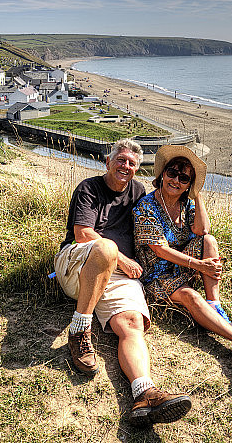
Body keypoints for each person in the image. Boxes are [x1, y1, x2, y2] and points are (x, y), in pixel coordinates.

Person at [53, 139, 192, 427]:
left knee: (132, 323)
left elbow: (164, 217)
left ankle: (145, 394)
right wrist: (123, 259)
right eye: (121, 160)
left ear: (137, 169)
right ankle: (79, 330)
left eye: (132, 163)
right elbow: (82, 233)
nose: (125, 166)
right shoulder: (89, 188)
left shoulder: (138, 192)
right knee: (107, 248)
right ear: (107, 161)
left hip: (117, 274)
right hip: (78, 263)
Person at [133, 145, 232, 367]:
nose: (176, 180)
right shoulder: (147, 206)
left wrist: (197, 195)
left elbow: (202, 230)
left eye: (184, 178)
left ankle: (214, 304)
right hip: (156, 276)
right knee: (192, 297)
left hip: (181, 266)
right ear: (162, 174)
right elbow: (159, 250)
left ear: (189, 185)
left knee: (209, 240)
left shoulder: (186, 203)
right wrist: (199, 266)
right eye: (172, 173)